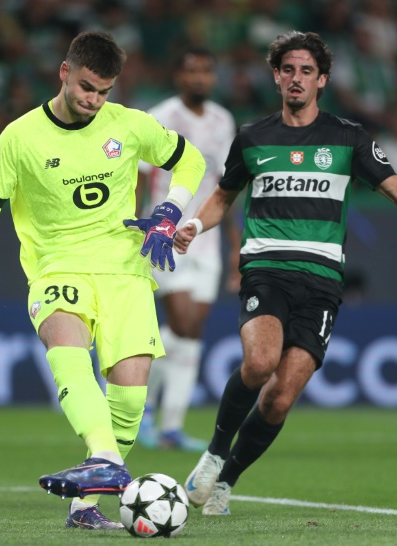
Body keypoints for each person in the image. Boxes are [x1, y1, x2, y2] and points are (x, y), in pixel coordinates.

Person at [0, 31, 205, 531]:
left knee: (129, 398)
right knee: (68, 349)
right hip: (57, 265)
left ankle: (85, 507)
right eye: (85, 87)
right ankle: (103, 456)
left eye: (103, 92)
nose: (93, 100)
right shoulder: (20, 137)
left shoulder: (128, 124)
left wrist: (169, 209)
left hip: (125, 268)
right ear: (64, 72)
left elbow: (190, 160)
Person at [176, 30, 397, 516]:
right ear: (276, 77)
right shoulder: (253, 138)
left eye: (306, 71)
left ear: (322, 80)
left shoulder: (348, 138)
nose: (296, 79)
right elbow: (222, 197)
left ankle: (226, 482)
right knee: (259, 364)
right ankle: (213, 455)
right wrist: (194, 223)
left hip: (322, 282)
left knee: (279, 399)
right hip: (266, 267)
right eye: (288, 70)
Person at [136, 46, 238, 452]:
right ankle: (145, 408)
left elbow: (225, 188)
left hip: (207, 238)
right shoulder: (160, 118)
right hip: (166, 235)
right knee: (180, 323)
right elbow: (141, 178)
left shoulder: (222, 120)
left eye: (206, 71)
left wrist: (234, 248)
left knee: (191, 333)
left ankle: (170, 426)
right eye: (191, 70)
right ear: (178, 76)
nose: (199, 78)